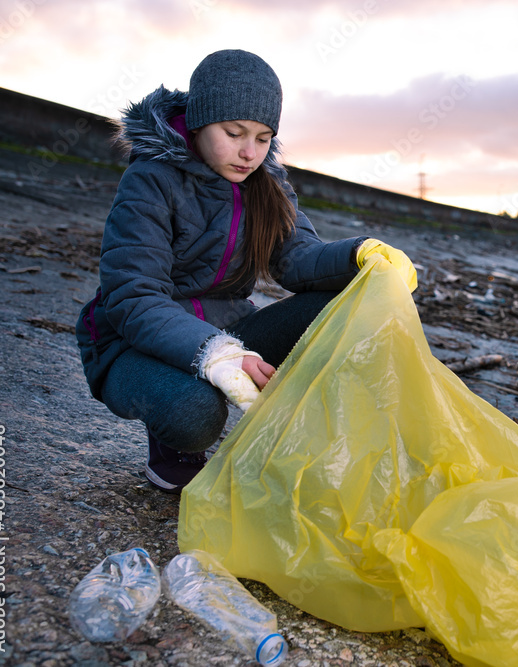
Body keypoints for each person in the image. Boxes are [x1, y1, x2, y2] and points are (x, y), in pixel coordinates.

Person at [75, 50, 417, 493]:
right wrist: (214, 353)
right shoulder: (150, 181)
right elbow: (133, 297)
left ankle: (309, 440)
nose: (248, 152)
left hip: (230, 331)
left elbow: (298, 260)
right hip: (131, 344)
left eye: (262, 137)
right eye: (233, 133)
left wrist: (360, 255)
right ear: (198, 122)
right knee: (194, 414)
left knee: (342, 305)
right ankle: (174, 448)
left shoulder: (267, 185)